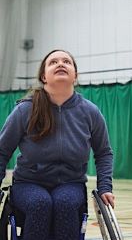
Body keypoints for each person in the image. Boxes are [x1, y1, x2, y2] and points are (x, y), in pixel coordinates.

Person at [0, 49, 115, 240]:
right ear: (44, 76)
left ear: (75, 76)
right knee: (40, 203)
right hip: (28, 183)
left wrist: (105, 187)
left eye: (66, 61)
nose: (60, 64)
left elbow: (103, 153)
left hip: (71, 183)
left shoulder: (90, 112)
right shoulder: (24, 110)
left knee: (65, 203)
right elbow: (2, 151)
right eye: (53, 62)